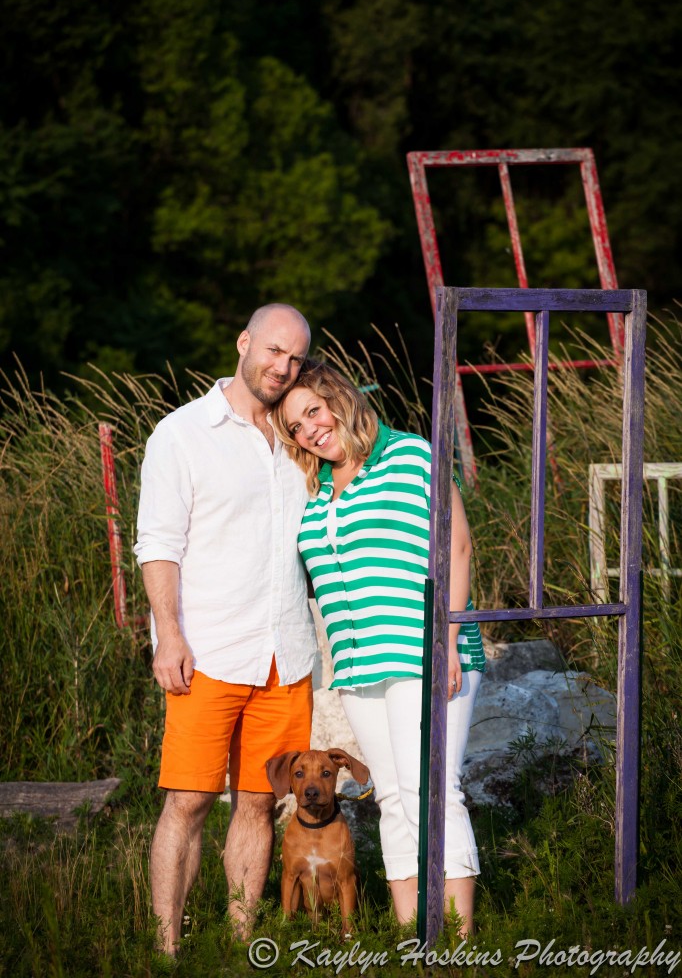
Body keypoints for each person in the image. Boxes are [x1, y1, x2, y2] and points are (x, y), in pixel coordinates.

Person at [271, 360, 485, 934]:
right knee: (389, 796)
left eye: (313, 411)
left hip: (424, 653)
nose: (309, 430)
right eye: (295, 426)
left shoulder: (410, 456)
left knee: (434, 790)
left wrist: (448, 640)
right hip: (360, 668)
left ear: (339, 397)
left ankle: (458, 940)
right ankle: (411, 931)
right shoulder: (315, 492)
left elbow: (457, 548)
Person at [134, 303, 318, 954]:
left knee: (260, 804)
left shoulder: (303, 438)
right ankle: (166, 949)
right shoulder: (182, 435)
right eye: (273, 351)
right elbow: (158, 544)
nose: (282, 367)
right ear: (244, 343)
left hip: (287, 655)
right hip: (207, 651)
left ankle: (239, 945)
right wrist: (169, 635)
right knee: (187, 803)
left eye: (295, 358)